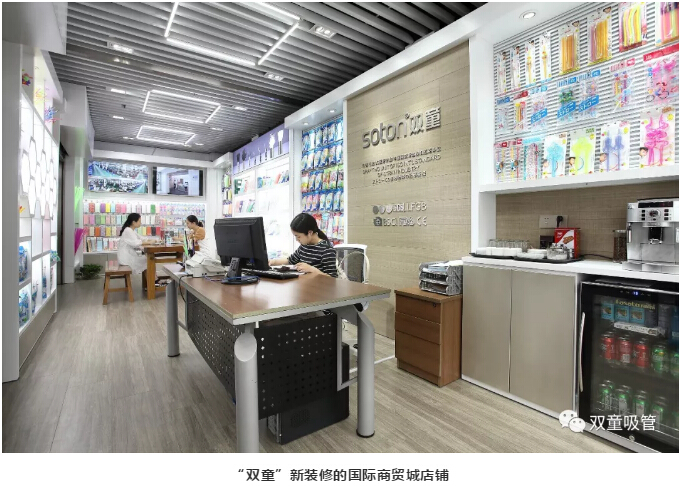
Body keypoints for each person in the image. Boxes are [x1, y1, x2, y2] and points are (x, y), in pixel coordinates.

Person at [269, 213, 337, 277]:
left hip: (319, 285)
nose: (296, 239)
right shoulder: (304, 246)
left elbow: (333, 279)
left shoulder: (327, 250)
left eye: (298, 236)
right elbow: (290, 260)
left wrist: (311, 269)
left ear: (310, 233)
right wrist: (272, 262)